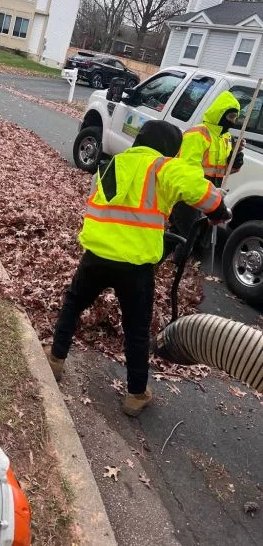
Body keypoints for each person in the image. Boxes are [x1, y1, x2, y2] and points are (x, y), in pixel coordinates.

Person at [44, 120, 230, 417]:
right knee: (136, 329)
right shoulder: (163, 166)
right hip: (135, 265)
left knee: (73, 304)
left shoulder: (113, 164)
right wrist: (218, 208)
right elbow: (197, 188)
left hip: (97, 254)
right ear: (169, 147)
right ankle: (135, 394)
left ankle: (55, 359)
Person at [167, 91, 243, 257]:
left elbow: (223, 170)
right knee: (189, 234)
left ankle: (161, 262)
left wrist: (234, 161)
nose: (233, 122)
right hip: (190, 194)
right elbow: (187, 170)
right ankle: (175, 266)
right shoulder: (199, 133)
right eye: (230, 117)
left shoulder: (225, 138)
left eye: (235, 118)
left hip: (208, 193)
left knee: (180, 232)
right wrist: (209, 190)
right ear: (220, 114)